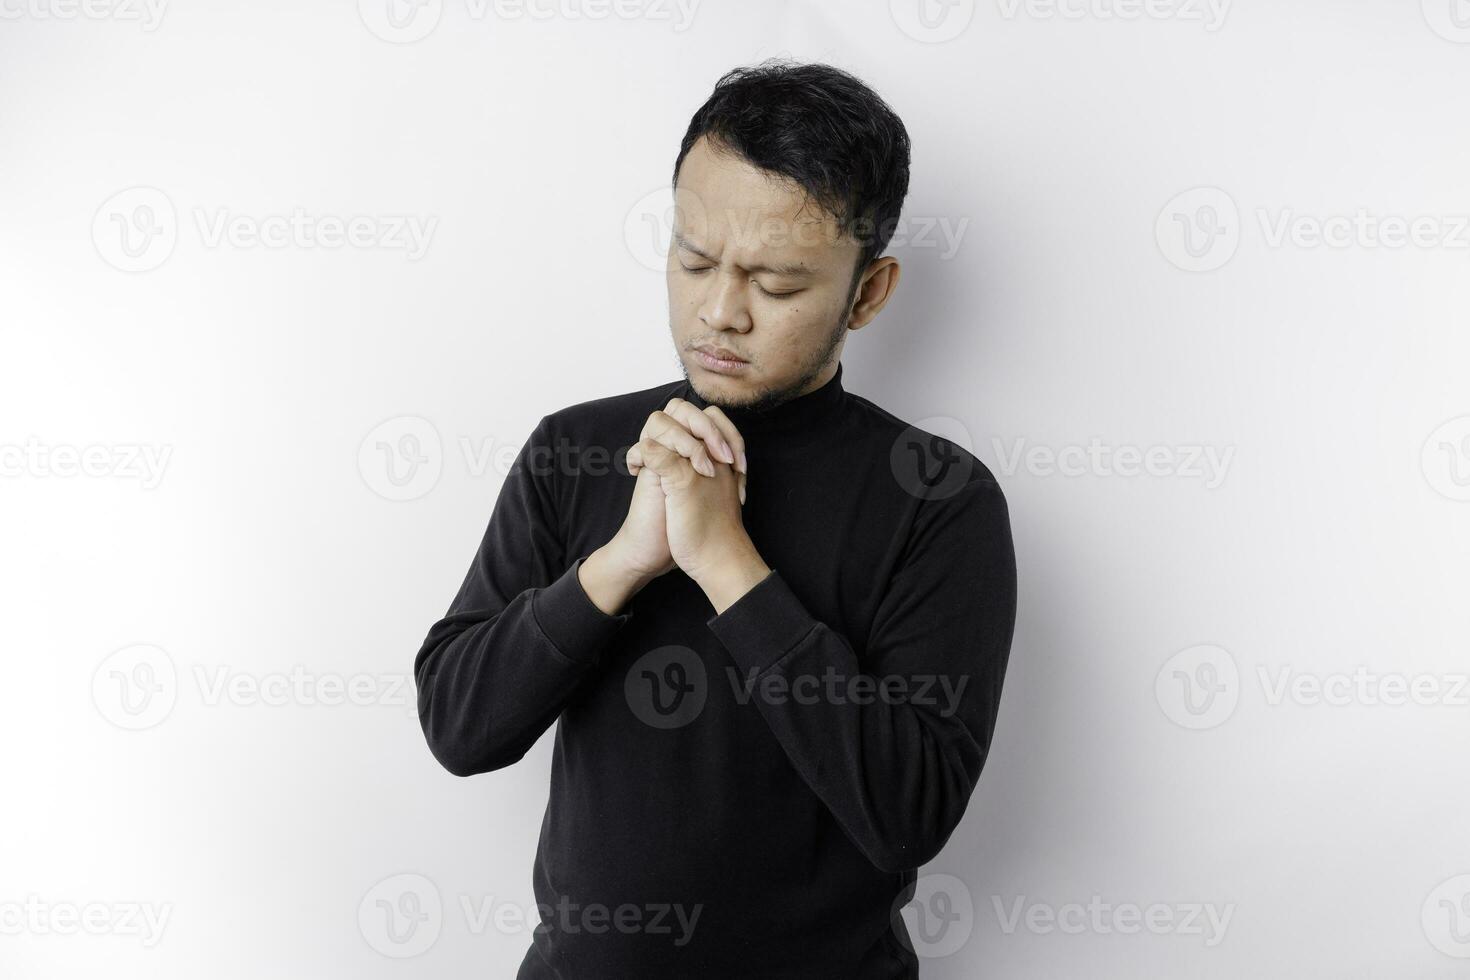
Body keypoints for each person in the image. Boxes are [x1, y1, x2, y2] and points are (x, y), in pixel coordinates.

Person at [412, 59, 1017, 978]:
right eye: (694, 260)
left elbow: (910, 815)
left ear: (869, 293)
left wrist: (729, 564)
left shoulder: (938, 500)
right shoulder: (575, 449)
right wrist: (620, 563)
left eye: (775, 286)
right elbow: (460, 727)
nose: (720, 311)